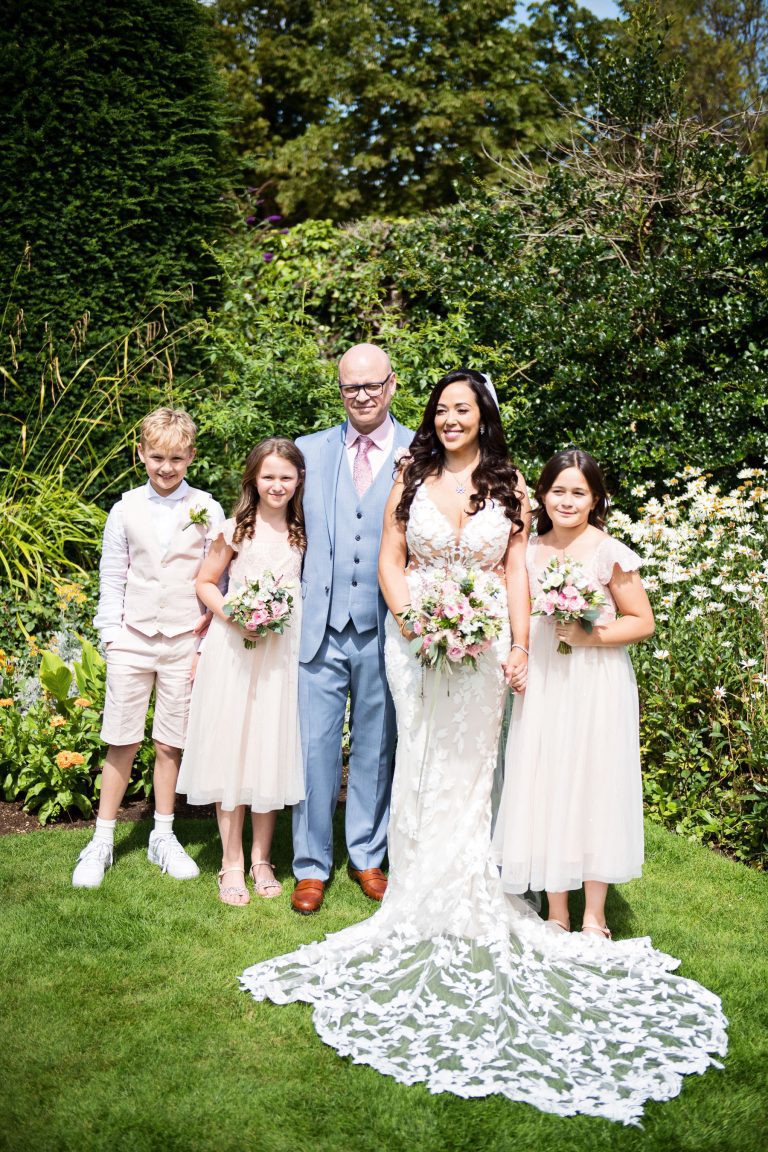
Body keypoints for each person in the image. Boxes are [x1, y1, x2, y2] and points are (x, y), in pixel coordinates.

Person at [239, 372, 726, 1123]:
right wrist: (413, 621)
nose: (451, 419)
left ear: (483, 416)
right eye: (442, 410)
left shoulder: (512, 484)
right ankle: (412, 883)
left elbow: (514, 573)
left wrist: (519, 646)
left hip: (487, 639)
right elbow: (391, 560)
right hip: (415, 640)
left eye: (463, 409)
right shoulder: (411, 472)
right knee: (417, 757)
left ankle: (474, 877)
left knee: (474, 763)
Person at [492, 448, 653, 935]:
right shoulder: (528, 552)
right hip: (546, 680)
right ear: (542, 495)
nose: (567, 501)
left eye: (578, 493)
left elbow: (642, 621)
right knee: (548, 781)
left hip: (596, 682)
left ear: (595, 499)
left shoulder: (608, 552)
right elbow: (518, 616)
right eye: (558, 491)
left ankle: (595, 915)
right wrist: (519, 657)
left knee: (594, 783)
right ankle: (557, 910)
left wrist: (591, 637)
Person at [72, 408, 225, 889]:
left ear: (191, 457)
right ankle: (102, 839)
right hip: (133, 639)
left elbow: (218, 577)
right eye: (157, 457)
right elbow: (112, 575)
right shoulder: (124, 509)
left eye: (176, 458)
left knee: (169, 742)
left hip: (184, 640)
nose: (166, 467)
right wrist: (111, 636)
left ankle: (163, 834)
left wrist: (204, 642)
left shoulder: (207, 508)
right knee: (121, 738)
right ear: (141, 454)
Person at [290, 343, 413, 914]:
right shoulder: (308, 451)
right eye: (350, 387)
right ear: (339, 390)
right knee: (313, 749)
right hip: (319, 626)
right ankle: (310, 865)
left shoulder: (421, 451)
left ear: (391, 385)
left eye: (372, 385)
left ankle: (367, 855)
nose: (361, 396)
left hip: (385, 627)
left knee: (376, 747)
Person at [176, 439, 306, 905]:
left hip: (280, 654)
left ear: (298, 481)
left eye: (286, 477)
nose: (277, 485)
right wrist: (234, 613)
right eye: (268, 476)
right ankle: (230, 862)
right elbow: (206, 582)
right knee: (232, 750)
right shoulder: (235, 529)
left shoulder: (303, 531)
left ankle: (261, 859)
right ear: (253, 478)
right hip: (235, 649)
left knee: (268, 749)